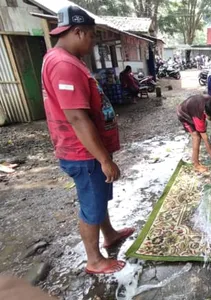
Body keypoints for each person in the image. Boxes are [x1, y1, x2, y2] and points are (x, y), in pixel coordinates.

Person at [42, 5, 134, 274]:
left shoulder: (67, 59)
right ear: (77, 31)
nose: (94, 42)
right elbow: (77, 118)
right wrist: (104, 159)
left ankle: (110, 234)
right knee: (91, 203)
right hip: (84, 153)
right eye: (92, 36)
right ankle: (94, 260)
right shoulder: (63, 64)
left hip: (88, 151)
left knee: (99, 197)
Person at [177, 95, 211, 172]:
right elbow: (206, 140)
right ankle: (196, 164)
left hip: (192, 108)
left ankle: (195, 160)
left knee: (200, 133)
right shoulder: (199, 116)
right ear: (205, 112)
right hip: (183, 113)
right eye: (209, 118)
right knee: (197, 137)